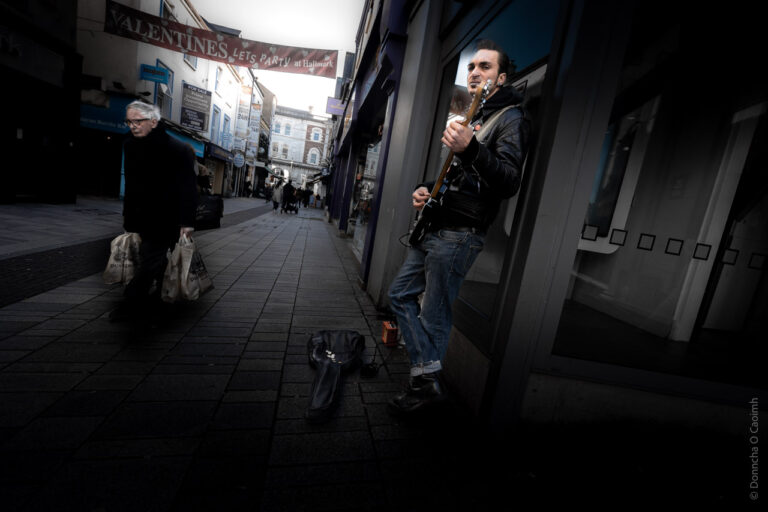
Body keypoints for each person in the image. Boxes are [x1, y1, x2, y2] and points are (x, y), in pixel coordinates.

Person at [387, 39, 530, 414]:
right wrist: (425, 189)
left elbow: (509, 181)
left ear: (500, 76)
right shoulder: (470, 114)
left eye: (484, 67)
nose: (474, 73)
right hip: (435, 224)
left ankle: (422, 390)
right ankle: (429, 374)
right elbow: (454, 176)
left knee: (434, 313)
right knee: (399, 295)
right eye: (471, 67)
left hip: (459, 234)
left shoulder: (512, 118)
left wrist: (471, 149)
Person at [109, 101, 198, 322]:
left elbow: (188, 187)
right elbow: (131, 185)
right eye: (129, 121)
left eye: (137, 121)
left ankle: (130, 303)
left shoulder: (177, 149)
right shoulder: (130, 146)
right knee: (154, 261)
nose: (132, 125)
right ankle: (161, 301)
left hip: (166, 218)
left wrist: (187, 221)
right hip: (140, 217)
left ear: (153, 121)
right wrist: (129, 219)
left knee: (150, 260)